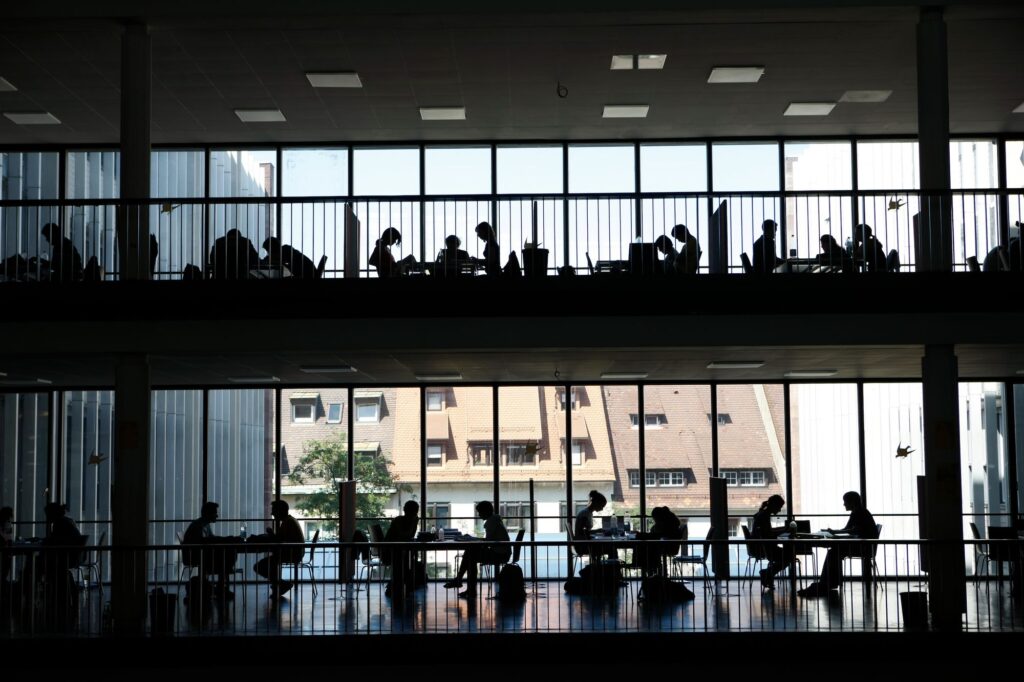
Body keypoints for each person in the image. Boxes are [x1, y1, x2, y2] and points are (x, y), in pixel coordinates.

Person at [798, 491, 878, 597]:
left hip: (863, 548)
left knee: (833, 553)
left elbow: (852, 530)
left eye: (845, 502)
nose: (844, 504)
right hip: (864, 547)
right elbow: (850, 530)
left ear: (852, 502)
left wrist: (835, 532)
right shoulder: (860, 511)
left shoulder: (858, 512)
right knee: (834, 552)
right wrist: (835, 532)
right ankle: (828, 583)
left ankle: (826, 584)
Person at [443, 501, 510, 599]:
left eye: (480, 512)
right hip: (502, 552)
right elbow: (489, 541)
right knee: (471, 555)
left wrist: (473, 539)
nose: (479, 515)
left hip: (500, 554)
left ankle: (463, 583)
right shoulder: (495, 520)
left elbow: (487, 543)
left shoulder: (491, 522)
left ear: (485, 511)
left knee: (470, 555)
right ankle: (465, 585)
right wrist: (475, 540)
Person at [182, 501, 239, 600]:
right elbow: (206, 541)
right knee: (227, 556)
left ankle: (220, 587)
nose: (217, 516)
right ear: (208, 513)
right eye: (215, 513)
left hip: (199, 555)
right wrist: (227, 539)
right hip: (198, 556)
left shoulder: (201, 524)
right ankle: (221, 587)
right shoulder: (200, 526)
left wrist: (225, 539)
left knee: (226, 556)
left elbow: (210, 539)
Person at [250, 500, 305, 599]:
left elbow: (279, 540)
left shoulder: (287, 523)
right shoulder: (289, 521)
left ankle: (280, 584)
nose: (272, 513)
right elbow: (281, 539)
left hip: (291, 553)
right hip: (293, 552)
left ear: (280, 511)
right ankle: (278, 585)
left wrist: (270, 534)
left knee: (259, 566)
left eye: (274, 510)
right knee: (271, 563)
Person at [751, 494, 797, 590]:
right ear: (774, 505)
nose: (780, 510)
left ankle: (768, 574)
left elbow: (768, 531)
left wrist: (783, 529)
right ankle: (767, 573)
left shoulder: (763, 514)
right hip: (767, 549)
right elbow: (769, 534)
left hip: (762, 546)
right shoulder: (765, 516)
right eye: (779, 507)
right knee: (789, 557)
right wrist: (784, 530)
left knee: (788, 556)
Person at [383, 500, 421, 596]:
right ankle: (402, 584)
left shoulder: (404, 520)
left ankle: (399, 584)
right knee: (407, 560)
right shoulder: (398, 520)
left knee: (408, 559)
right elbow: (405, 535)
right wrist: (413, 523)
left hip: (396, 550)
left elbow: (409, 536)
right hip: (390, 551)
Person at [634, 506, 684, 576]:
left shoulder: (667, 526)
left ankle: (650, 569)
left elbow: (657, 535)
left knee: (648, 549)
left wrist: (643, 535)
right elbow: (657, 535)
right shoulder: (671, 523)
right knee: (649, 548)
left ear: (658, 517)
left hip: (668, 547)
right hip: (668, 546)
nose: (654, 521)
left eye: (655, 518)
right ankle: (655, 570)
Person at [574, 490, 614, 561]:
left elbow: (584, 531)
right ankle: (612, 569)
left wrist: (597, 531)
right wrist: (597, 531)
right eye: (601, 506)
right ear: (596, 503)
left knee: (610, 547)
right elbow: (583, 532)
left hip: (583, 543)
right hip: (584, 545)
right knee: (612, 548)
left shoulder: (586, 513)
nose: (602, 508)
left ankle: (603, 568)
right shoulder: (585, 514)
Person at [1, 506, 14, 584]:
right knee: (5, 569)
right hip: (5, 550)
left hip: (3, 549)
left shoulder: (2, 522)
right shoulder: (8, 523)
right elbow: (9, 537)